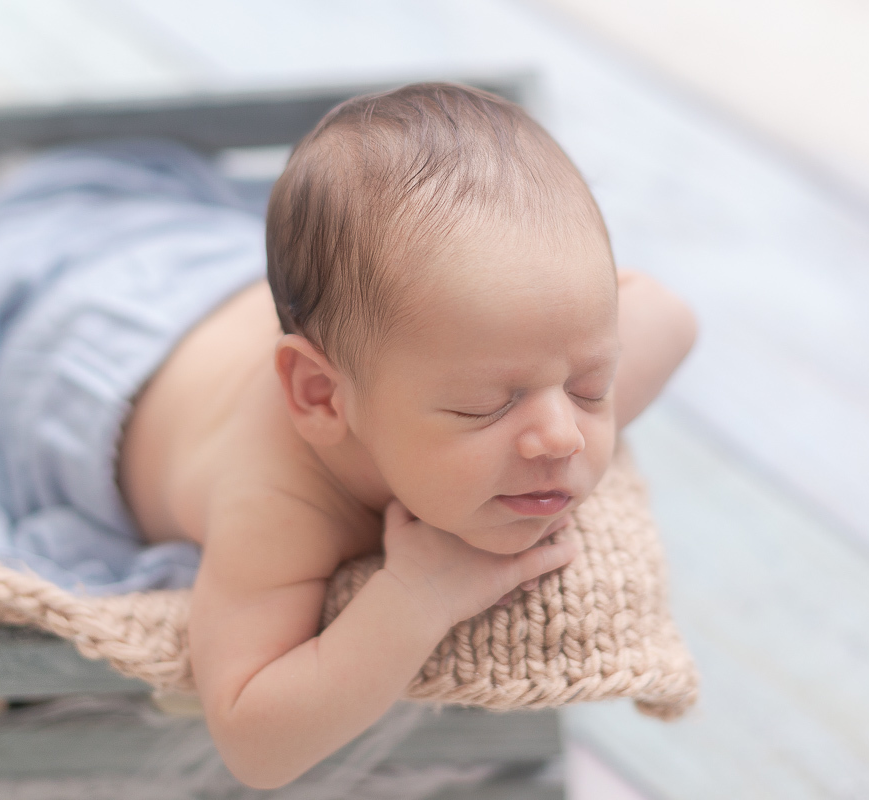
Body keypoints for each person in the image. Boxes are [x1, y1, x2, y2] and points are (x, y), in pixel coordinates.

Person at [117, 82, 697, 788]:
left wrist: (559, 388)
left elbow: (670, 316)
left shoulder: (483, 359)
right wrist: (417, 598)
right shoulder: (278, 499)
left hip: (310, 315)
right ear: (322, 397)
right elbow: (252, 740)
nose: (560, 438)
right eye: (486, 406)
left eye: (589, 385)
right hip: (119, 359)